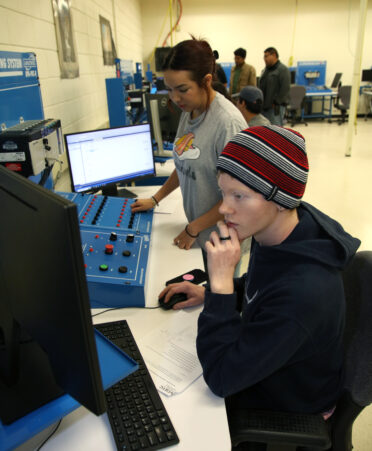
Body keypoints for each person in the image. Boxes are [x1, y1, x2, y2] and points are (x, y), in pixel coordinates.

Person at [160, 126, 360, 428]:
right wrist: (214, 293)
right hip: (267, 365)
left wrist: (221, 285)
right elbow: (264, 288)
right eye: (223, 192)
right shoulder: (281, 235)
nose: (224, 208)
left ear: (280, 200)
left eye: (239, 195)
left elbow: (220, 378)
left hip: (285, 406)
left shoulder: (306, 292)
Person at [131, 38, 246, 267]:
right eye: (170, 89)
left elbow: (239, 198)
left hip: (223, 240)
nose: (174, 98)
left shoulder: (228, 125)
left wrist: (193, 228)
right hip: (200, 232)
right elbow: (185, 163)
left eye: (182, 89)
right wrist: (156, 199)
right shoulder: (190, 109)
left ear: (206, 81)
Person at [259, 47, 290, 126]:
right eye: (264, 57)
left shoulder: (283, 70)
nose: (264, 59)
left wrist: (276, 102)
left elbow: (285, 89)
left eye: (266, 56)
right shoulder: (265, 70)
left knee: (276, 131)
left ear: (274, 55)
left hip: (275, 108)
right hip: (264, 107)